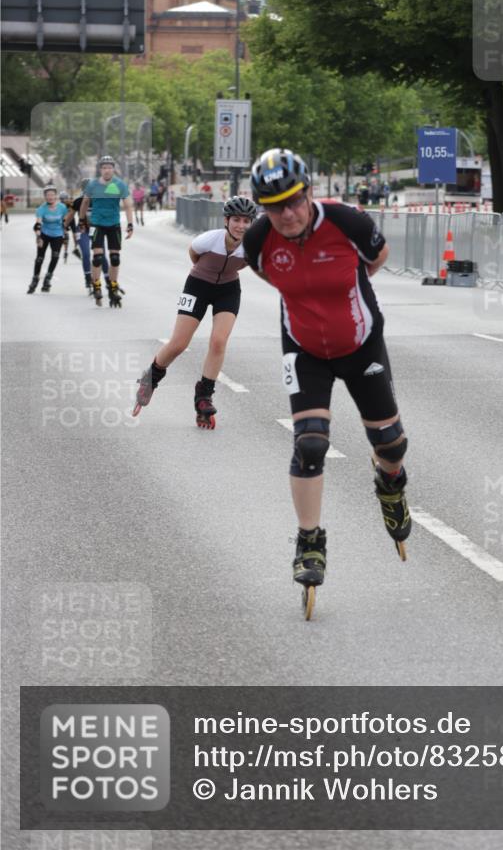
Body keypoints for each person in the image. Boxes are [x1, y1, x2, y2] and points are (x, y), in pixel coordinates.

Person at [243, 148, 411, 606]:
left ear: (310, 192)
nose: (288, 213)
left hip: (361, 345)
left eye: (295, 200)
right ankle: (309, 540)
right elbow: (268, 275)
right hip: (304, 350)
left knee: (391, 443)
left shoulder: (347, 222)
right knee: (310, 442)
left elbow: (376, 258)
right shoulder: (260, 241)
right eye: (274, 206)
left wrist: (344, 289)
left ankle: (389, 484)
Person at [133, 196, 257, 428]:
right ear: (226, 220)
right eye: (236, 220)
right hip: (197, 285)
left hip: (228, 290)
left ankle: (204, 396)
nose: (241, 225)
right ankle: (151, 378)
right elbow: (193, 254)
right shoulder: (209, 240)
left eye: (247, 221)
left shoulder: (252, 246)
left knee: (219, 342)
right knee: (179, 343)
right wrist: (204, 272)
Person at [79, 155, 133, 307]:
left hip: (114, 224)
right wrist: (82, 220)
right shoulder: (92, 185)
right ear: (100, 169)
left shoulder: (120, 185)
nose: (107, 170)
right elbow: (84, 202)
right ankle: (96, 285)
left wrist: (130, 224)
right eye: (104, 168)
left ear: (113, 169)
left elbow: (128, 205)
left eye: (109, 167)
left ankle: (113, 287)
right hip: (96, 224)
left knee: (115, 258)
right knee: (97, 257)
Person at [27, 185, 72, 293]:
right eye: (47, 195)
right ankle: (35, 279)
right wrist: (38, 237)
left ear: (55, 196)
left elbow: (65, 223)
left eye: (52, 195)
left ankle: (48, 278)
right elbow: (38, 224)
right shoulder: (41, 209)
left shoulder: (62, 208)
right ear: (45, 197)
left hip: (57, 235)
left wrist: (66, 235)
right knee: (39, 259)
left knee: (55, 256)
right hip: (45, 234)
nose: (50, 197)